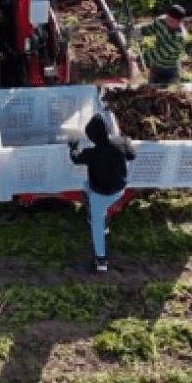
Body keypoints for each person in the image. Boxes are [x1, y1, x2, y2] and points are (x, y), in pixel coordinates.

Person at [68, 114, 136, 273]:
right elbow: (132, 155)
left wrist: (73, 147)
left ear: (91, 137)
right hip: (119, 190)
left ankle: (101, 262)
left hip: (100, 194)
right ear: (108, 131)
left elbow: (75, 159)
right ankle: (103, 224)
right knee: (86, 187)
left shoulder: (92, 153)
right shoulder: (120, 143)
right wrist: (127, 141)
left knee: (96, 226)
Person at [139, 4, 188, 85]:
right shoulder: (161, 21)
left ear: (180, 22)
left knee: (169, 93)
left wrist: (139, 58)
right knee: (151, 91)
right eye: (168, 18)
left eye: (172, 21)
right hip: (156, 68)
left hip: (170, 71)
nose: (168, 22)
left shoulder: (179, 37)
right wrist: (138, 31)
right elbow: (150, 29)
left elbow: (160, 54)